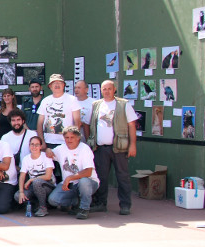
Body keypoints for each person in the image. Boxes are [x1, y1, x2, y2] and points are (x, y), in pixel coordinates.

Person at [88, 80, 138, 215]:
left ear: (114, 89)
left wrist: (133, 145)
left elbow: (132, 125)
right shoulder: (96, 105)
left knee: (123, 177)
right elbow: (89, 124)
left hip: (119, 148)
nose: (107, 91)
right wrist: (91, 143)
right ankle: (100, 203)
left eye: (109, 89)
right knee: (101, 177)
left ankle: (125, 205)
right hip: (100, 148)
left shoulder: (123, 104)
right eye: (104, 89)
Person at [47, 126, 100, 220]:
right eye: (67, 137)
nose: (69, 140)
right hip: (70, 185)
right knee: (53, 200)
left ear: (78, 138)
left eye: (72, 137)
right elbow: (49, 153)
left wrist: (69, 178)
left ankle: (84, 209)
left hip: (89, 183)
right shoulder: (61, 148)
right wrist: (48, 150)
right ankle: (76, 202)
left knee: (83, 181)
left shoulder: (85, 149)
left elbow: (88, 172)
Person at [37, 74, 81, 148]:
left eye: (59, 82)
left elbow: (77, 122)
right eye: (54, 83)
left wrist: (73, 140)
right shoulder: (45, 101)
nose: (57, 85)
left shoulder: (72, 100)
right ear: (50, 86)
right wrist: (42, 141)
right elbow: (40, 123)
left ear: (63, 85)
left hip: (66, 142)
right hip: (48, 142)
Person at [15, 136, 55, 217]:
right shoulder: (26, 159)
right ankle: (36, 204)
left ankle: (43, 207)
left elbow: (48, 176)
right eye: (32, 144)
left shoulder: (45, 156)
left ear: (40, 146)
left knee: (37, 182)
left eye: (37, 145)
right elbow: (22, 176)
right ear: (29, 146)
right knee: (17, 196)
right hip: (34, 186)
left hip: (48, 186)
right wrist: (21, 192)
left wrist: (31, 180)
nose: (34, 147)